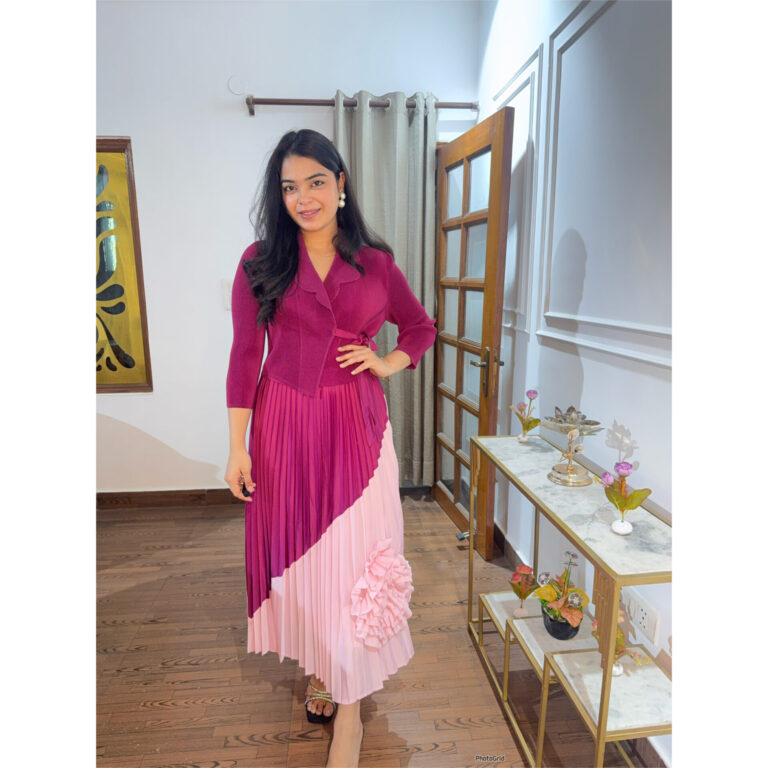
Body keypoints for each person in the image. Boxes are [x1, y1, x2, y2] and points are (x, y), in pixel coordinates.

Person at [224, 128, 437, 767]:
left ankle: (351, 714)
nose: (304, 198)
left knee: (354, 560)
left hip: (356, 429)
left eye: (316, 182)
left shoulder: (376, 263)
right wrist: (237, 447)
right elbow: (244, 355)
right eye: (290, 187)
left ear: (341, 184)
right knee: (304, 557)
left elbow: (421, 327)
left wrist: (387, 362)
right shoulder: (261, 260)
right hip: (283, 424)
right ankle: (323, 665)